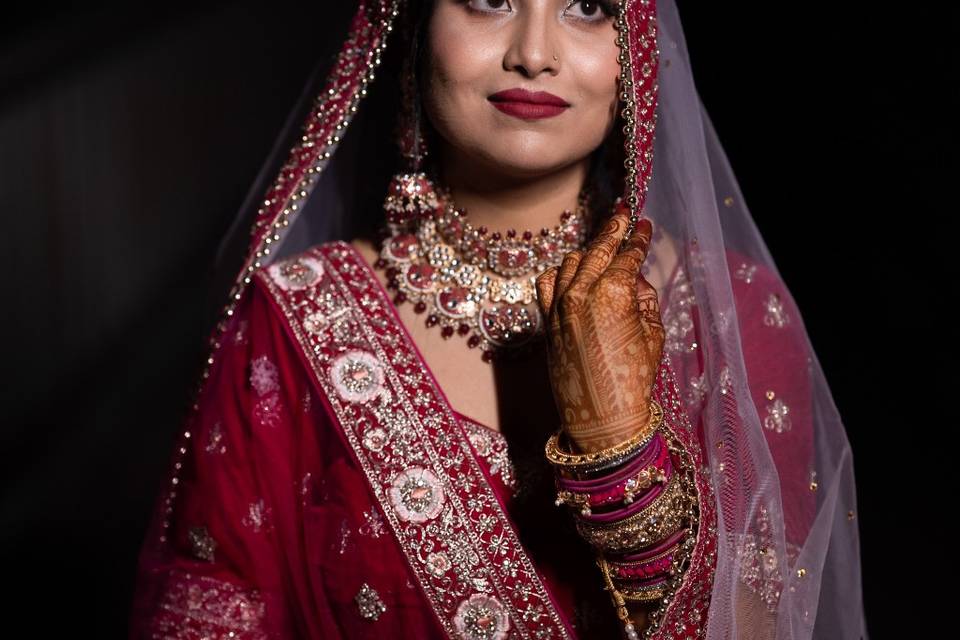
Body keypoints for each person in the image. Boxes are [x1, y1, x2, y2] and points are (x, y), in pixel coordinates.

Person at [129, 1, 867, 638]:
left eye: (585, 5)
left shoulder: (734, 313)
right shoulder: (294, 318)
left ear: (639, 49)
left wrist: (624, 456)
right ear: (413, 26)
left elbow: (778, 624)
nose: (534, 53)